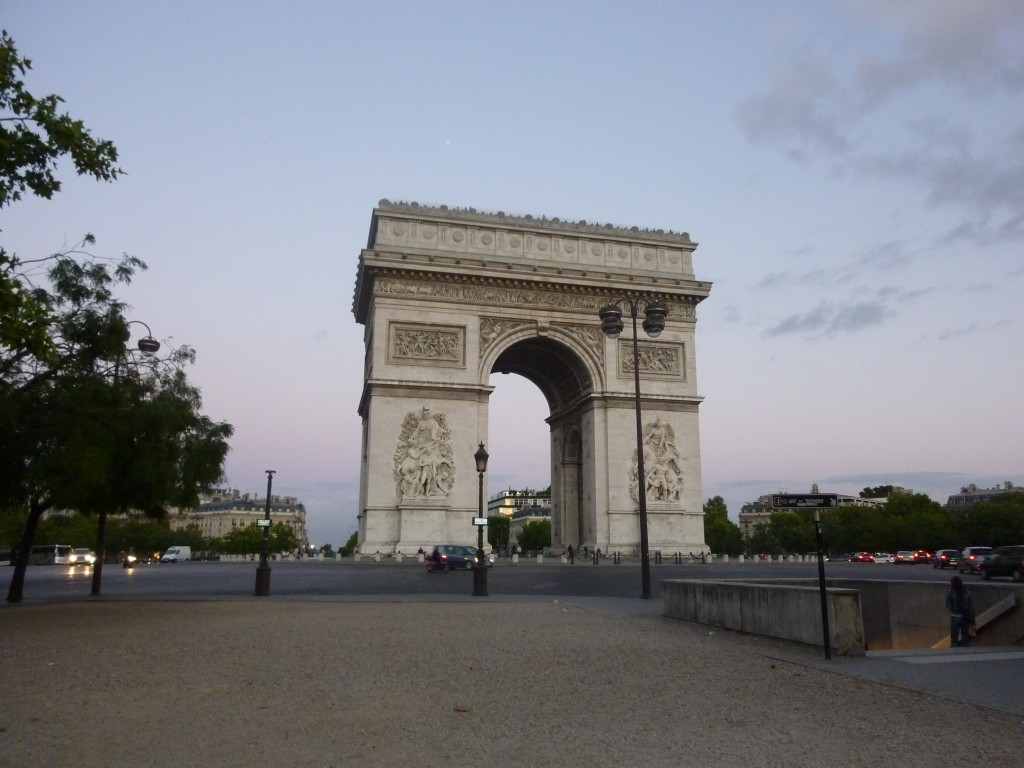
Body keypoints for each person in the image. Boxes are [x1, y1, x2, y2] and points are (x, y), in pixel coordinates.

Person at [945, 575, 975, 648]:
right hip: (966, 617)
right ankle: (966, 654)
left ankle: (954, 654)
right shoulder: (967, 592)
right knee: (965, 637)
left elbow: (947, 605)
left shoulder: (950, 592)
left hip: (955, 617)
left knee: (954, 637)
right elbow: (971, 606)